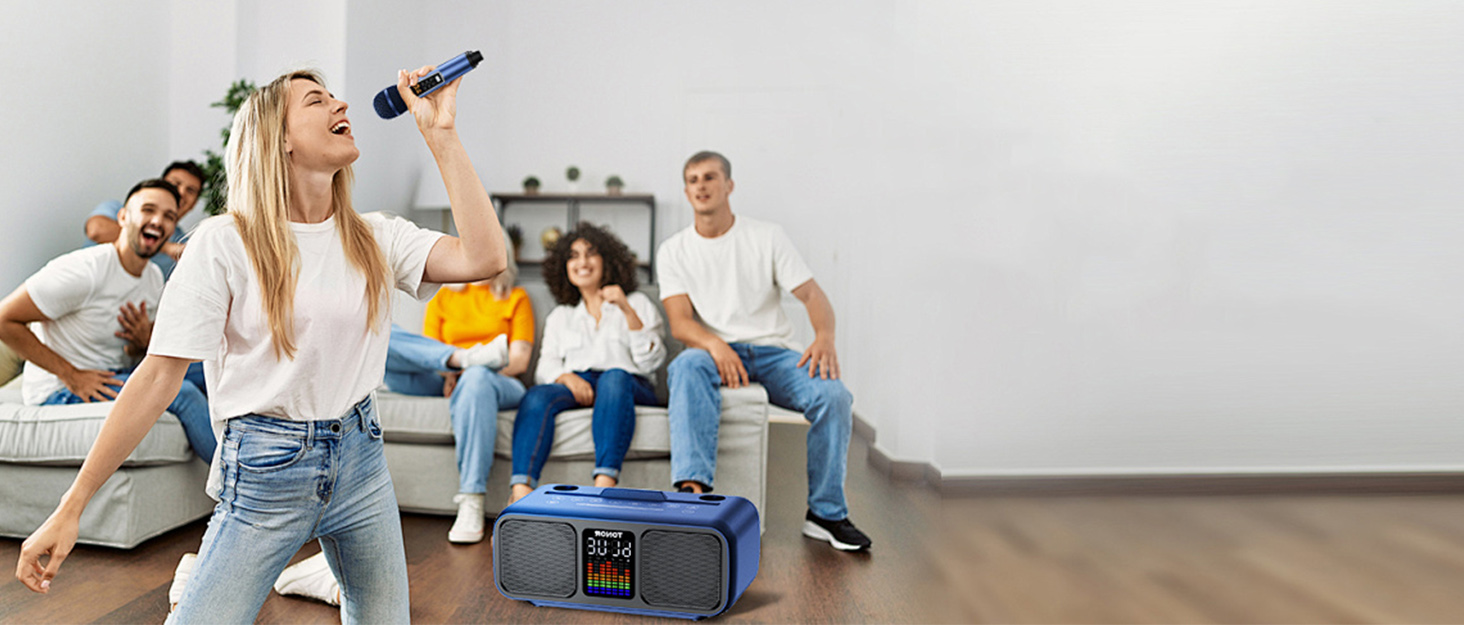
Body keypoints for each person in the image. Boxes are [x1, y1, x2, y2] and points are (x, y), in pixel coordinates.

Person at [15, 65, 506, 624]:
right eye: (317, 101)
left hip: (361, 457)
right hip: (267, 471)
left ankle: (312, 571)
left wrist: (440, 133)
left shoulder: (374, 236)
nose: (341, 105)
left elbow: (484, 258)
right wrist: (70, 507)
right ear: (280, 139)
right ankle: (231, 574)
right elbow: (156, 377)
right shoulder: (223, 243)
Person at [659, 151, 871, 552]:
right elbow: (681, 323)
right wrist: (716, 344)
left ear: (729, 186)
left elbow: (811, 293)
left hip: (773, 351)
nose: (701, 185)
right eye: (692, 179)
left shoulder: (766, 236)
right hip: (714, 353)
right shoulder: (673, 250)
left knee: (834, 395)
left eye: (709, 177)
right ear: (686, 191)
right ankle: (693, 499)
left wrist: (824, 335)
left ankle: (825, 514)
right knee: (686, 364)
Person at [0, 179, 213, 461]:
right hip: (60, 390)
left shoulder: (152, 277)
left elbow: (130, 354)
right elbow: (5, 318)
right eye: (148, 210)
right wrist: (71, 375)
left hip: (112, 374)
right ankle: (237, 487)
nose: (158, 221)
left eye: (169, 216)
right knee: (181, 392)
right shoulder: (84, 269)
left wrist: (139, 344)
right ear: (123, 217)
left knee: (208, 367)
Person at [381, 231, 534, 544]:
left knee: (476, 378)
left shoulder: (515, 297)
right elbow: (428, 351)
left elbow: (518, 360)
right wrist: (452, 366)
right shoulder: (445, 297)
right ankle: (464, 358)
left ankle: (472, 497)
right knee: (380, 335)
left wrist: (471, 369)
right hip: (447, 376)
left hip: (498, 381)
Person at [508, 222, 666, 505]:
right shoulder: (562, 316)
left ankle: (601, 492)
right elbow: (546, 366)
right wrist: (567, 378)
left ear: (607, 261)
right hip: (580, 383)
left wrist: (626, 310)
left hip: (628, 383)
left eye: (590, 253)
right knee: (537, 395)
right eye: (573, 256)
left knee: (613, 377)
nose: (582, 262)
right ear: (564, 267)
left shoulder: (637, 302)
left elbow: (650, 362)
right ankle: (520, 497)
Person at [84, 161, 206, 280]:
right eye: (175, 184)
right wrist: (166, 247)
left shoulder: (185, 244)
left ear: (194, 203)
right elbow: (96, 230)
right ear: (123, 217)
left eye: (190, 191)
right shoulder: (115, 209)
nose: (181, 193)